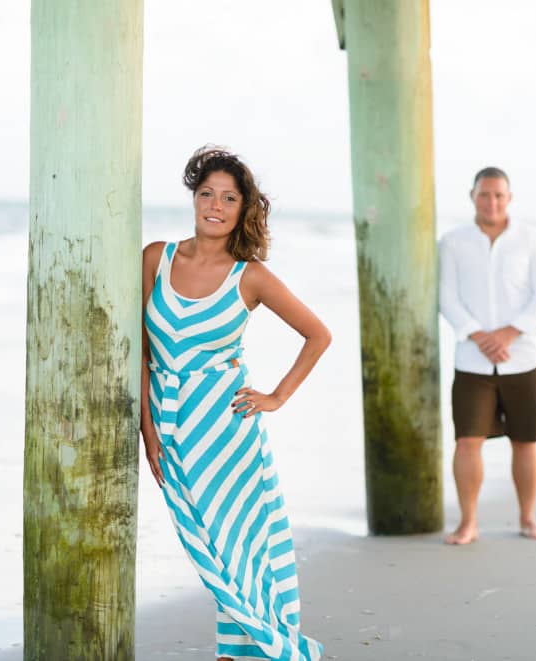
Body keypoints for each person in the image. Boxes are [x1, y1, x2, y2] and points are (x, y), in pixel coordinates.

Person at [140, 146, 330, 660]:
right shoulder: (156, 258)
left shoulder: (250, 276)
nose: (215, 206)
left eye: (228, 197)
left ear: (243, 207)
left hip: (226, 430)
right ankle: (248, 647)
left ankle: (241, 651)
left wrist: (276, 396)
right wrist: (146, 428)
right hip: (171, 423)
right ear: (194, 198)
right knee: (204, 539)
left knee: (237, 543)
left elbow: (317, 335)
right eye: (206, 194)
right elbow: (137, 347)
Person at [438, 166, 536, 545]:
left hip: (525, 357)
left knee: (525, 440)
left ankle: (527, 518)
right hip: (472, 360)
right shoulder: (453, 242)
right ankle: (468, 523)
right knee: (467, 440)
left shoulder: (533, 240)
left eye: (499, 195)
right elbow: (446, 296)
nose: (491, 202)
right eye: (484, 194)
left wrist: (509, 332)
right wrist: (477, 335)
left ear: (509, 198)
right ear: (472, 196)